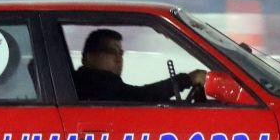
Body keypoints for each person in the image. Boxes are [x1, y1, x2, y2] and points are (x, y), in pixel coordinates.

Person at [73, 28, 206, 103]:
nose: (119, 59)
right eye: (112, 52)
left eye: (121, 53)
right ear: (89, 57)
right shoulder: (93, 84)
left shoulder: (81, 82)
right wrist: (188, 79)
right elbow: (140, 97)